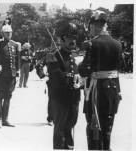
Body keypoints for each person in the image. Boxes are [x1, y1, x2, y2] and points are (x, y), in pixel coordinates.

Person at [78, 10, 122, 150]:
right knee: (107, 127)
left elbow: (84, 70)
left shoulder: (93, 44)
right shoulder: (118, 43)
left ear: (94, 25)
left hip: (97, 91)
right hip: (113, 89)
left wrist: (80, 63)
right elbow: (117, 69)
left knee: (93, 128)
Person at [37, 22, 82, 149]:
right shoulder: (53, 56)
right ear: (62, 40)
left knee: (70, 126)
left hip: (74, 98)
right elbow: (56, 76)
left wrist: (80, 80)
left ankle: (69, 147)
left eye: (74, 37)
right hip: (60, 98)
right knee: (60, 128)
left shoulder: (75, 56)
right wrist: (43, 76)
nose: (73, 40)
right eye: (69, 38)